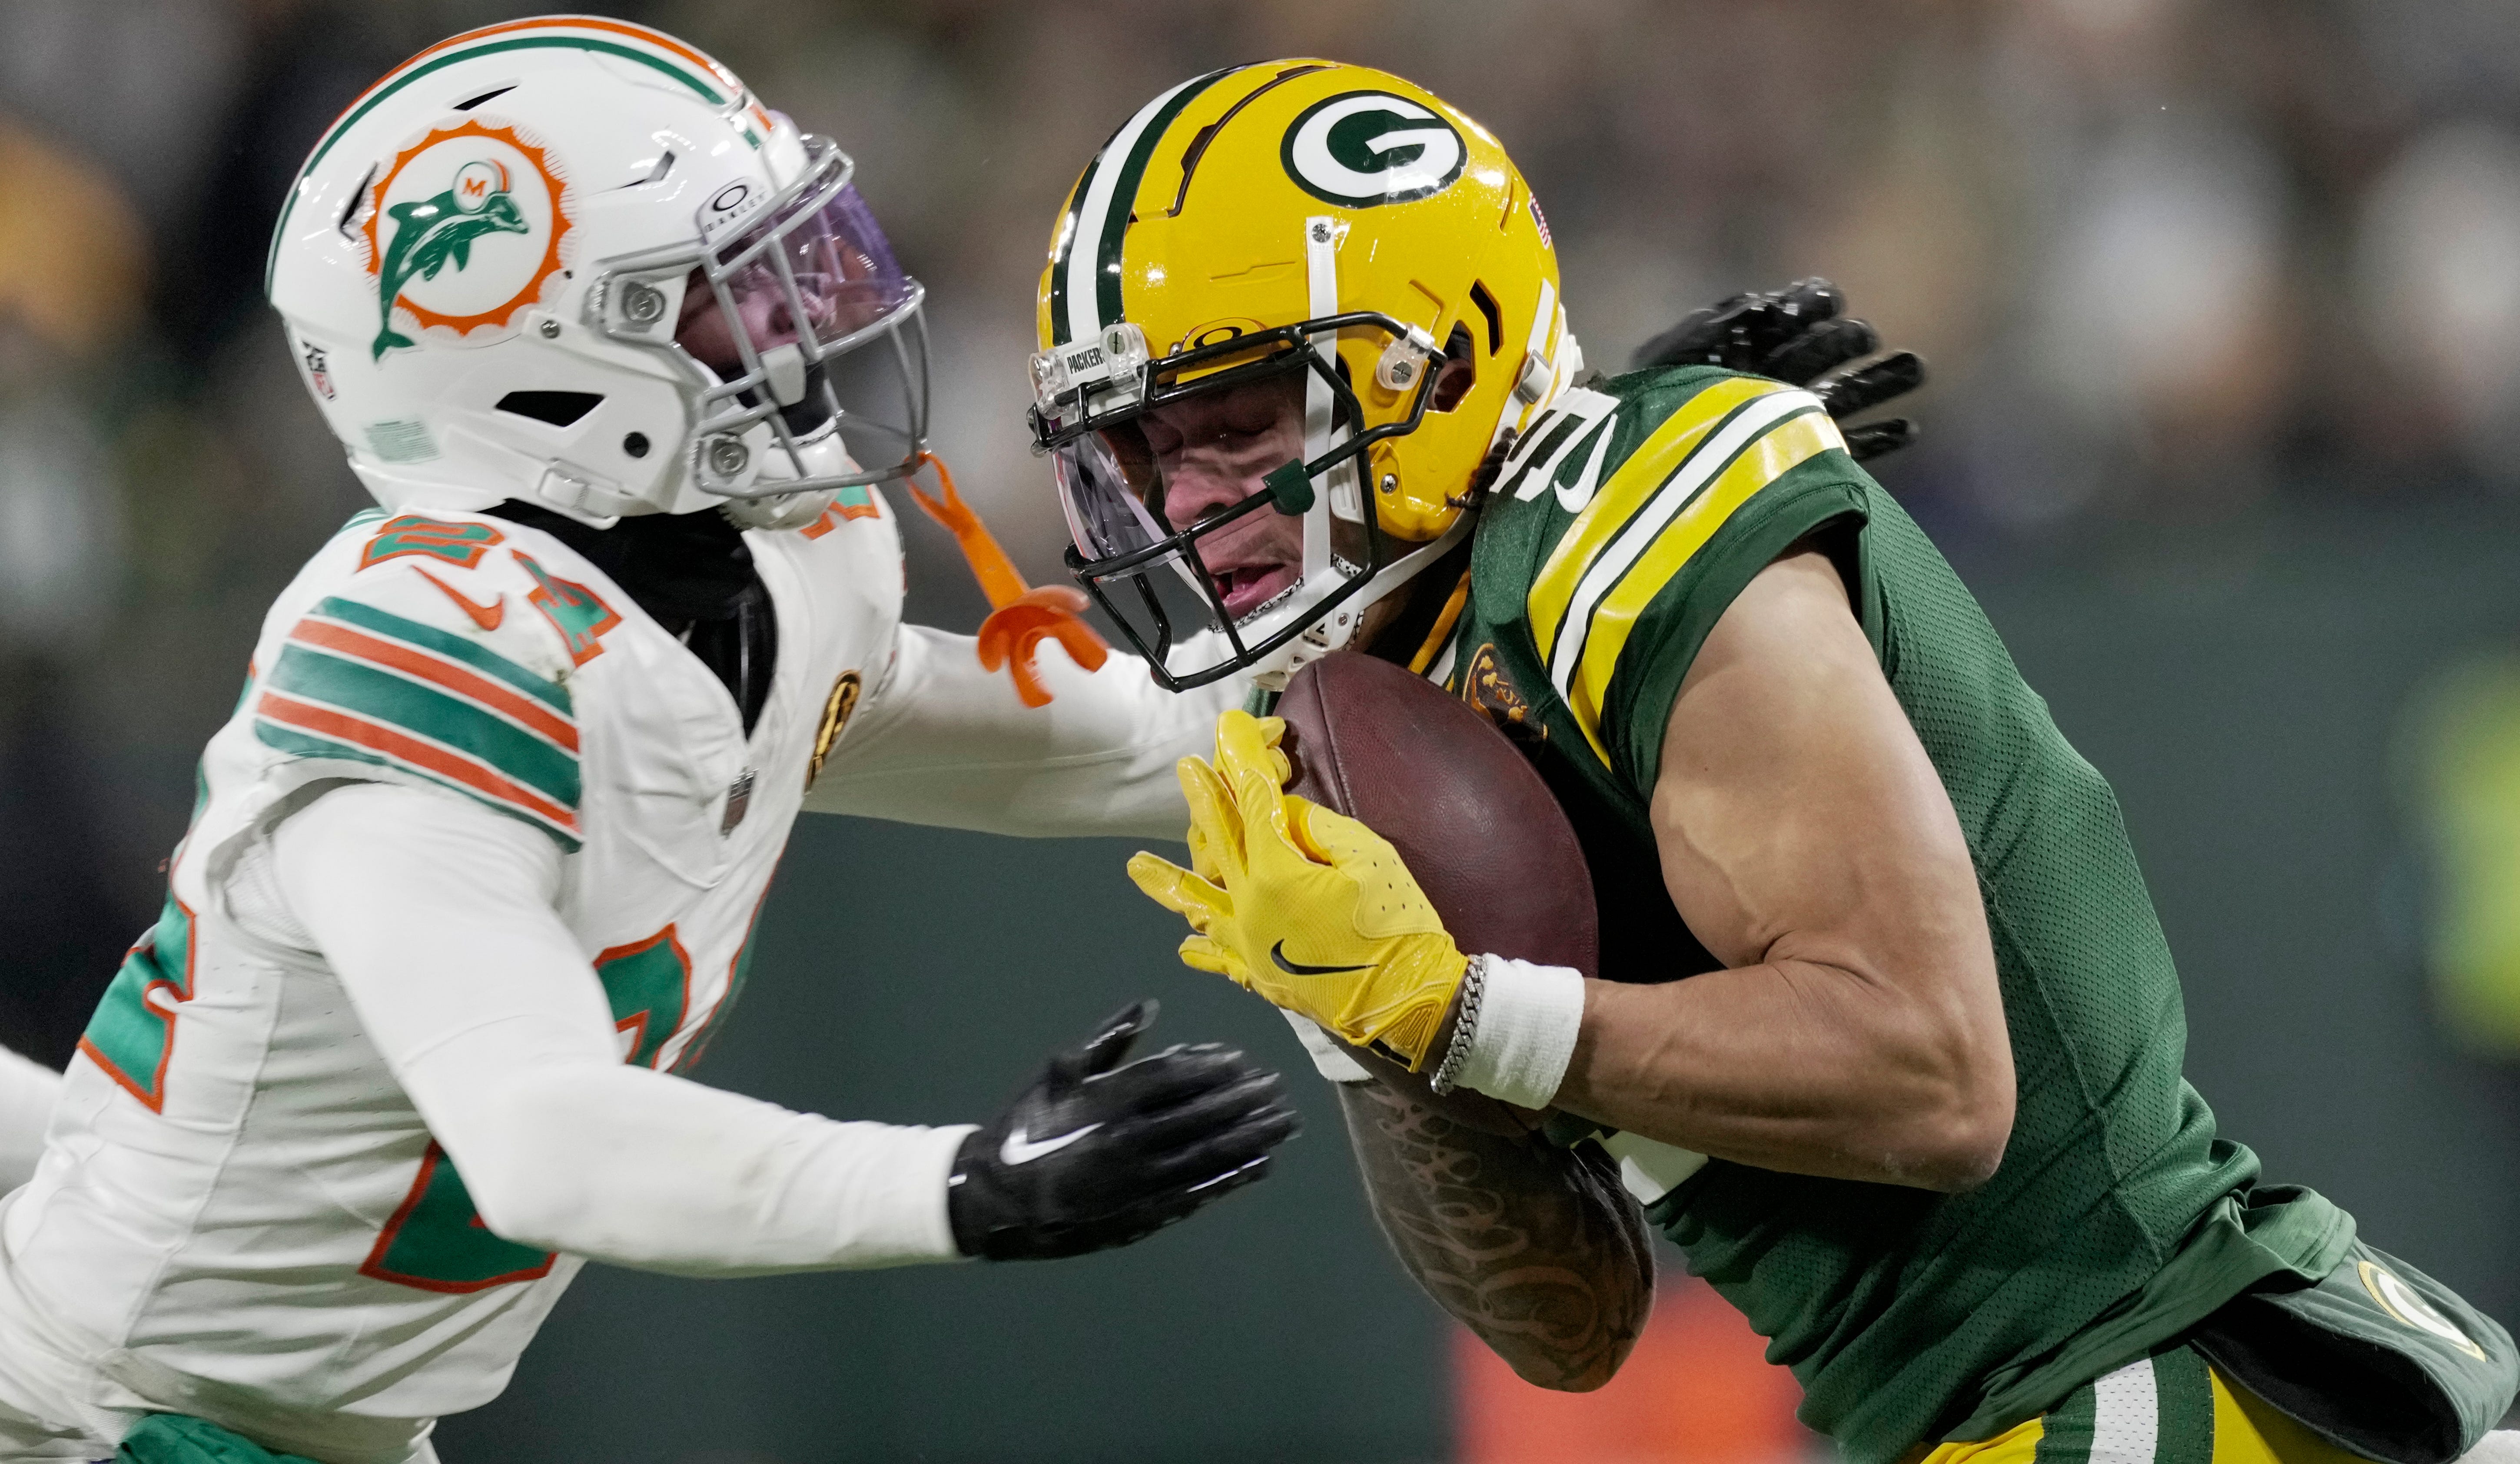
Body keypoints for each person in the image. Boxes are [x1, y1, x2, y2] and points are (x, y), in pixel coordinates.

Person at [1028, 59, 2520, 1464]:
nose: (1192, 503)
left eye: (1232, 424)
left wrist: (1463, 1007)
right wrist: (1358, 1025)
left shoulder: (1629, 529)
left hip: (2140, 1370)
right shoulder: (1359, 716)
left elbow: (1937, 1076)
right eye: (1149, 455)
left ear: (1437, 362)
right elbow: (1572, 1321)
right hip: (1972, 1411)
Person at [0, 22, 1305, 1464]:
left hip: (325, 1421)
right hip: (99, 1416)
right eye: (721, 295)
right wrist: (961, 1184)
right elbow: (543, 1134)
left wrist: (1337, 718)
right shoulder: (428, 661)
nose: (812, 316)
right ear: (531, 361)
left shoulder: (778, 563)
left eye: (799, 257)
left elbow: (1076, 743)